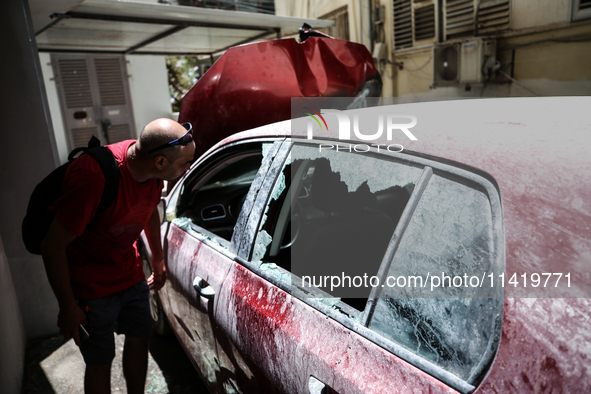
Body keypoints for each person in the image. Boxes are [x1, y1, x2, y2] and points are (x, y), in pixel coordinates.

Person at [41, 119, 196, 394]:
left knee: (140, 340)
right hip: (90, 288)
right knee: (100, 361)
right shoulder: (93, 177)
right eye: (184, 164)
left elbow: (148, 209)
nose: (187, 169)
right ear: (160, 162)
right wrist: (67, 306)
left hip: (129, 274)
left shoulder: (150, 168)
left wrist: (158, 261)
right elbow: (52, 247)